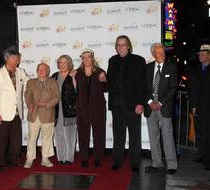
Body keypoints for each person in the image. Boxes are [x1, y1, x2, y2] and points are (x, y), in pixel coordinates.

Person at [107, 35, 146, 173]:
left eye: (123, 44)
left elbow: (143, 84)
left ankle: (135, 162)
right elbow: (109, 83)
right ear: (116, 47)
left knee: (134, 134)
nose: (121, 47)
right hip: (117, 103)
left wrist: (141, 103)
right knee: (118, 133)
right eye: (118, 45)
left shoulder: (138, 60)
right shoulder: (112, 60)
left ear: (128, 46)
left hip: (133, 103)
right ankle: (117, 160)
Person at [0, 49, 29, 169]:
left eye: (17, 58)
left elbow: (28, 82)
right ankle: (1, 161)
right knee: (3, 138)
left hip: (17, 111)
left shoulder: (20, 72)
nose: (17, 61)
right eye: (14, 58)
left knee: (16, 138)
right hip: (4, 112)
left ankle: (14, 158)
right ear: (7, 59)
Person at [144, 43, 178, 175]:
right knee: (153, 136)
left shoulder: (171, 67)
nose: (162, 55)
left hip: (165, 107)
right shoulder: (147, 68)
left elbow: (173, 88)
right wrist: (150, 102)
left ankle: (171, 165)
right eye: (159, 52)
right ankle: (156, 163)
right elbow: (144, 87)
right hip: (150, 107)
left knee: (167, 136)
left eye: (163, 52)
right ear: (153, 54)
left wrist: (161, 103)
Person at [74, 49, 107, 168]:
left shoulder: (100, 71)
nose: (86, 59)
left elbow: (106, 88)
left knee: (99, 133)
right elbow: (73, 90)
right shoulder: (77, 73)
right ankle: (84, 158)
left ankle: (98, 158)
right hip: (81, 107)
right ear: (82, 59)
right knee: (83, 133)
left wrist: (104, 80)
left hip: (97, 107)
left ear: (92, 58)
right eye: (84, 57)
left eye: (89, 57)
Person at [23, 63, 60, 168]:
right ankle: (29, 159)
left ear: (48, 72)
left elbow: (57, 97)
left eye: (44, 69)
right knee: (31, 138)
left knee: (47, 138)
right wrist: (30, 104)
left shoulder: (53, 82)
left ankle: (45, 159)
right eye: (39, 69)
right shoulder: (31, 82)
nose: (41, 71)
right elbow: (27, 94)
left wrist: (46, 104)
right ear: (36, 71)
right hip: (33, 114)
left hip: (48, 114)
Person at [51, 55, 77, 165]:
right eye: (60, 62)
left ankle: (69, 157)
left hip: (70, 110)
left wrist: (73, 77)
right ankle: (60, 157)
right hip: (57, 109)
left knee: (70, 134)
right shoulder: (54, 76)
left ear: (69, 64)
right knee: (59, 133)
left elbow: (77, 90)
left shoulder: (74, 74)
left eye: (64, 62)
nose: (62, 64)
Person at [188, 43, 210, 169]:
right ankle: (203, 155)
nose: (200, 56)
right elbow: (192, 88)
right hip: (197, 106)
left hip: (208, 107)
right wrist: (193, 105)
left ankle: (208, 159)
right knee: (200, 132)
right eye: (199, 55)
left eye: (203, 54)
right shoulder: (195, 69)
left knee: (208, 133)